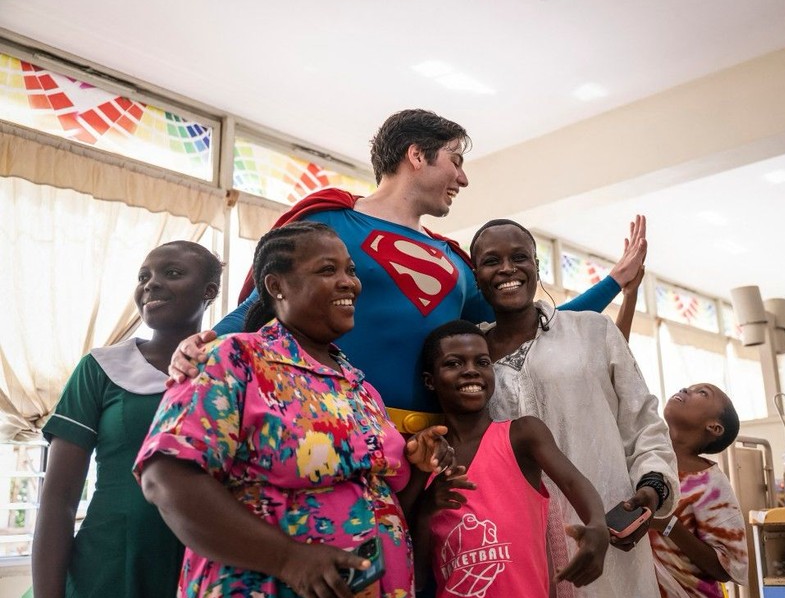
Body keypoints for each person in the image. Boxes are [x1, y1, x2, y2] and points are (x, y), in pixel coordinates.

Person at [168, 110, 647, 434]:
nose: (463, 178)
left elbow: (531, 326)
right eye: (455, 161)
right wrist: (203, 342)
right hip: (324, 428)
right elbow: (261, 309)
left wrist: (614, 283)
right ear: (417, 156)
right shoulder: (330, 222)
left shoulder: (457, 262)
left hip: (431, 448)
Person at [135, 222, 449, 598]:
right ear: (276, 285)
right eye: (327, 270)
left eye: (350, 270)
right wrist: (290, 560)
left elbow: (375, 503)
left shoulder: (359, 386)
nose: (348, 282)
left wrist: (418, 469)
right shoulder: (233, 359)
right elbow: (165, 478)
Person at [469, 218, 679, 598]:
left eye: (519, 257)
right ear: (476, 276)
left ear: (536, 265)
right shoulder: (471, 361)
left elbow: (643, 422)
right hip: (517, 549)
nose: (507, 269)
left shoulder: (592, 332)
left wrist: (651, 488)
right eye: (491, 261)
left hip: (609, 536)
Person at [32, 241, 222, 598]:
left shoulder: (230, 370)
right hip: (109, 572)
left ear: (209, 291)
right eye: (143, 277)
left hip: (206, 567)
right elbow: (58, 500)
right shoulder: (102, 368)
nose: (150, 285)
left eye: (172, 273)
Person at [405, 320, 609, 598]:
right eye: (454, 363)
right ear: (430, 380)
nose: (471, 370)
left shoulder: (522, 434)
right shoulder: (426, 457)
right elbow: (418, 578)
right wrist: (426, 508)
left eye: (482, 362)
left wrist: (597, 526)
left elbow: (574, 482)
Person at [648, 383, 748, 598]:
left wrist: (668, 524)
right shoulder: (645, 462)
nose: (685, 389)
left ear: (714, 427)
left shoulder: (711, 484)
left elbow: (727, 567)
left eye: (702, 393)